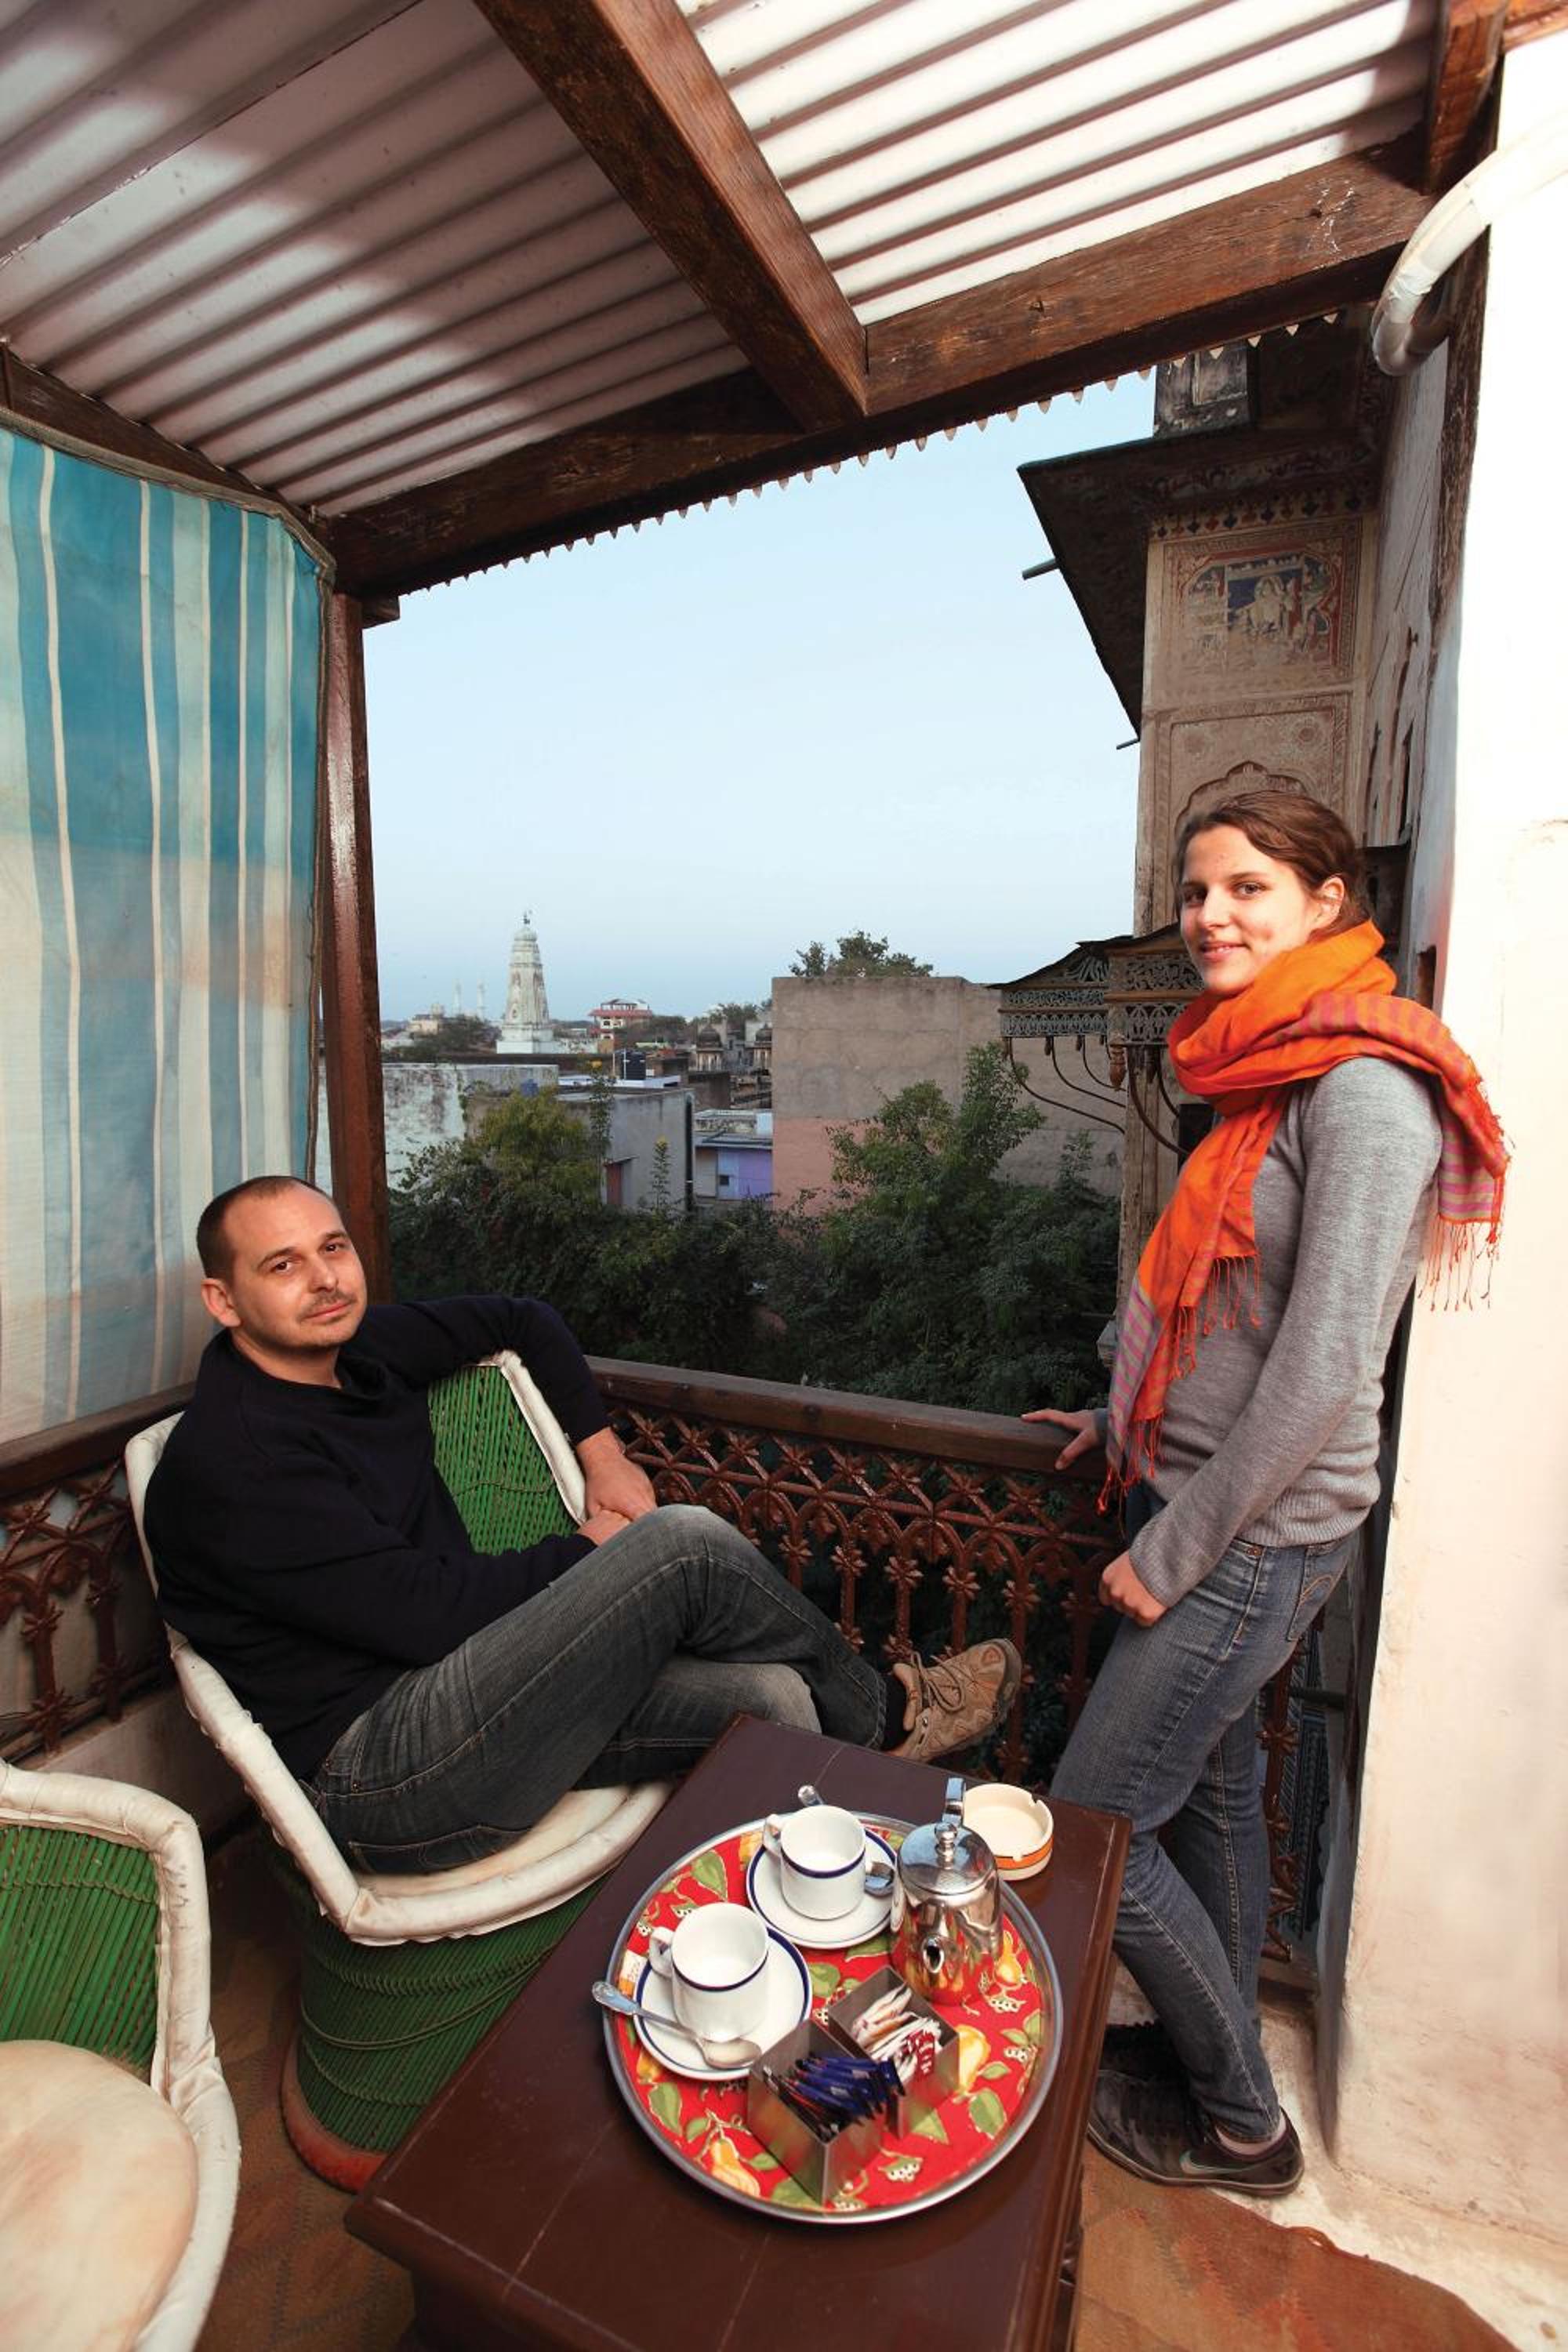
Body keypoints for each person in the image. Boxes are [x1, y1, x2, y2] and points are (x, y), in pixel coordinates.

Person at [1027, 789, 1505, 2196]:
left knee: (1097, 1823)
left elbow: (1323, 1369)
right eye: (1197, 891)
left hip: (1248, 1539)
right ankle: (1211, 2050)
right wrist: (1119, 1410)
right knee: (1220, 1800)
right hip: (1188, 1495)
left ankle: (1245, 2123)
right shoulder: (1257, 1072)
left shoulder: (1364, 1091)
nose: (1211, 916)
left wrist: (1174, 1547)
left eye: (1248, 888)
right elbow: (1217, 1306)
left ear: (1326, 904)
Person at [145, 1177, 1020, 1873]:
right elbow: (423, 1615)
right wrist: (587, 1550)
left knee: (776, 1700)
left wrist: (602, 1455)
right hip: (383, 1773)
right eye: (283, 1265)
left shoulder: (359, 1349)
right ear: (224, 1301)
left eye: (333, 1247)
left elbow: (524, 1319)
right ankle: (889, 1716)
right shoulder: (235, 1463)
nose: (325, 1279)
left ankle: (827, 1879)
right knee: (679, 1547)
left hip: (470, 1687)